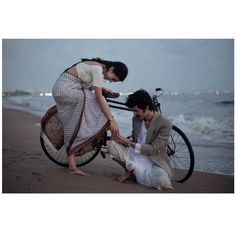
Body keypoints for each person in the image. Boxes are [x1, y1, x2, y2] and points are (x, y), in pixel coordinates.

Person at [52, 57, 128, 176]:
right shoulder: (98, 69)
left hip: (62, 89)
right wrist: (111, 119)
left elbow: (83, 82)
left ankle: (72, 166)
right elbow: (98, 97)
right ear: (112, 68)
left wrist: (101, 88)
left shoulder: (98, 67)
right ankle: (103, 127)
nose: (111, 81)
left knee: (75, 123)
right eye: (114, 79)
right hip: (65, 90)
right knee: (96, 100)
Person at [107, 89, 173, 190]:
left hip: (153, 160)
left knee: (163, 182)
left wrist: (128, 143)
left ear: (146, 108)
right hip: (135, 155)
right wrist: (120, 140)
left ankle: (134, 172)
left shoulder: (165, 124)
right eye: (133, 111)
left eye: (136, 110)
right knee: (111, 144)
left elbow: (152, 149)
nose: (134, 114)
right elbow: (135, 138)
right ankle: (131, 171)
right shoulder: (136, 119)